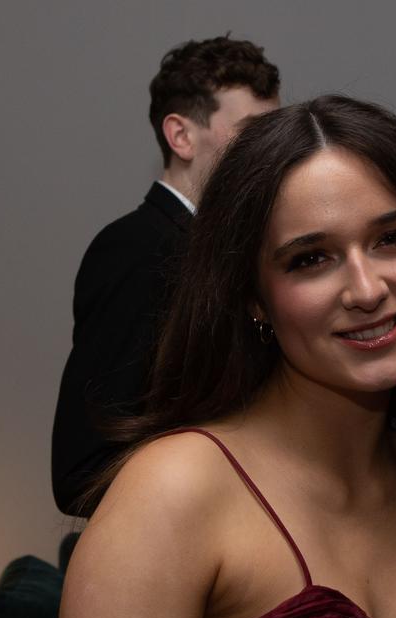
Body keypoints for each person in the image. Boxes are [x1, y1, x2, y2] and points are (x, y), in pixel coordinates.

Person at [57, 95, 396, 618]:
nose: (366, 289)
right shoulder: (174, 492)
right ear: (253, 298)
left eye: (393, 238)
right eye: (311, 259)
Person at [51, 35, 280, 516]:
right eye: (252, 132)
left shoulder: (226, 247)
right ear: (180, 136)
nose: (273, 151)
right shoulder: (137, 248)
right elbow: (82, 466)